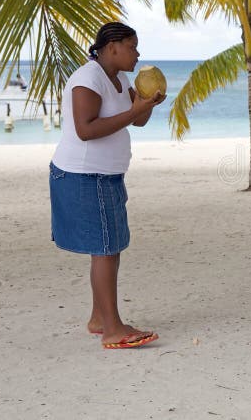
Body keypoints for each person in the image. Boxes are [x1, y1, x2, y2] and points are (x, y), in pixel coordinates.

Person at [49, 22, 165, 349]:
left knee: (109, 249)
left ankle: (100, 318)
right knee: (104, 250)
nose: (138, 53)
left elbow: (137, 118)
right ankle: (113, 328)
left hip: (106, 176)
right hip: (85, 176)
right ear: (112, 46)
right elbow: (85, 129)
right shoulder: (88, 78)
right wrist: (134, 112)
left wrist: (148, 104)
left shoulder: (120, 78)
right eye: (132, 46)